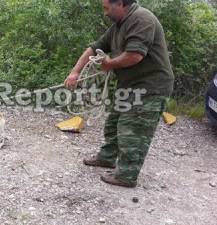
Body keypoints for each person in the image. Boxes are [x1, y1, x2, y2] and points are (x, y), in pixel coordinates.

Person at [64, 0, 174, 187]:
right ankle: (107, 158)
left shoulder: (142, 18)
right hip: (129, 85)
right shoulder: (118, 25)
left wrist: (109, 64)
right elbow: (93, 48)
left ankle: (126, 176)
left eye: (106, 8)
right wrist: (75, 72)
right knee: (114, 124)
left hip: (150, 86)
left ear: (120, 4)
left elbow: (135, 55)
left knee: (132, 131)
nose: (105, 13)